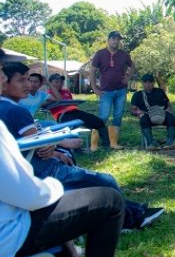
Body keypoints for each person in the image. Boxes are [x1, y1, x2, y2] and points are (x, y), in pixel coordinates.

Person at [0, 63, 163, 233]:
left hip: (30, 171)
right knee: (106, 181)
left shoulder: (8, 108)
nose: (28, 85)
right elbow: (38, 147)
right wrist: (56, 149)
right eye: (21, 81)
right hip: (42, 172)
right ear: (5, 83)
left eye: (28, 79)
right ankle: (130, 220)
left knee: (92, 177)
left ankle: (137, 211)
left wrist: (52, 147)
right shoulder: (14, 111)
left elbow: (32, 143)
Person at [88, 31, 135, 149]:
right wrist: (95, 89)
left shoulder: (124, 54)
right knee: (103, 116)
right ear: (108, 40)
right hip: (106, 92)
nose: (116, 41)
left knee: (118, 116)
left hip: (121, 91)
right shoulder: (100, 54)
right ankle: (94, 143)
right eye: (113, 39)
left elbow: (132, 66)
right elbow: (92, 71)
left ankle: (113, 143)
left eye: (118, 39)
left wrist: (128, 77)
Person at [46, 73, 111, 152]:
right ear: (50, 83)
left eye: (61, 82)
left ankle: (107, 145)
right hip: (62, 115)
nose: (59, 84)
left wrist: (75, 102)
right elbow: (45, 105)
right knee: (73, 126)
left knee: (99, 122)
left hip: (75, 111)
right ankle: (77, 150)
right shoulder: (48, 93)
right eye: (56, 82)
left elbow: (71, 103)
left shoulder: (66, 91)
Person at [130, 74, 175, 150]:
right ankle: (151, 143)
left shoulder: (159, 91)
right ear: (142, 83)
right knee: (143, 119)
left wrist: (168, 110)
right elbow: (132, 109)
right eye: (146, 82)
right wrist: (138, 112)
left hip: (161, 113)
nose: (148, 84)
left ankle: (171, 141)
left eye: (150, 82)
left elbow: (168, 105)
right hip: (147, 115)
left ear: (153, 83)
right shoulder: (137, 95)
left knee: (171, 118)